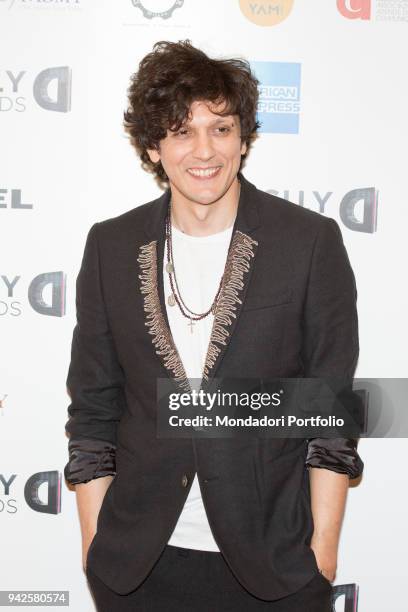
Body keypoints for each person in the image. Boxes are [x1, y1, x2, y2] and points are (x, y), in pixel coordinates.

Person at [64, 40, 364, 612]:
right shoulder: (111, 245)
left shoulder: (307, 242)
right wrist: (94, 541)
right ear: (154, 148)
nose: (204, 150)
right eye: (181, 131)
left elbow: (329, 409)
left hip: (274, 563)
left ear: (244, 140)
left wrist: (322, 549)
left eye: (221, 129)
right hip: (140, 564)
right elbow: (94, 407)